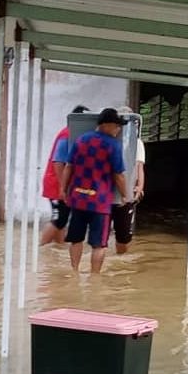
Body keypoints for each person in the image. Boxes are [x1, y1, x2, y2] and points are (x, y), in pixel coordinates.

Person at [61, 108, 130, 273]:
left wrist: (63, 190)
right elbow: (118, 175)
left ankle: (74, 272)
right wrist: (126, 196)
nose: (118, 130)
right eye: (117, 126)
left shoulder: (80, 140)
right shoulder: (113, 145)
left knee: (76, 239)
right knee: (99, 244)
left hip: (78, 199)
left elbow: (68, 167)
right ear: (108, 125)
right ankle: (95, 278)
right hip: (100, 202)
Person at [40, 104, 89, 246]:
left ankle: (58, 249)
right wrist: (63, 187)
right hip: (57, 184)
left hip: (61, 184)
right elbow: (58, 163)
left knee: (62, 218)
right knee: (59, 219)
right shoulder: (67, 135)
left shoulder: (71, 134)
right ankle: (41, 249)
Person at [112, 106, 146, 255]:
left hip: (128, 194)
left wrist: (139, 187)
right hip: (109, 194)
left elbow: (139, 167)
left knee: (123, 237)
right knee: (101, 234)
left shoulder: (137, 143)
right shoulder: (109, 141)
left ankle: (119, 260)